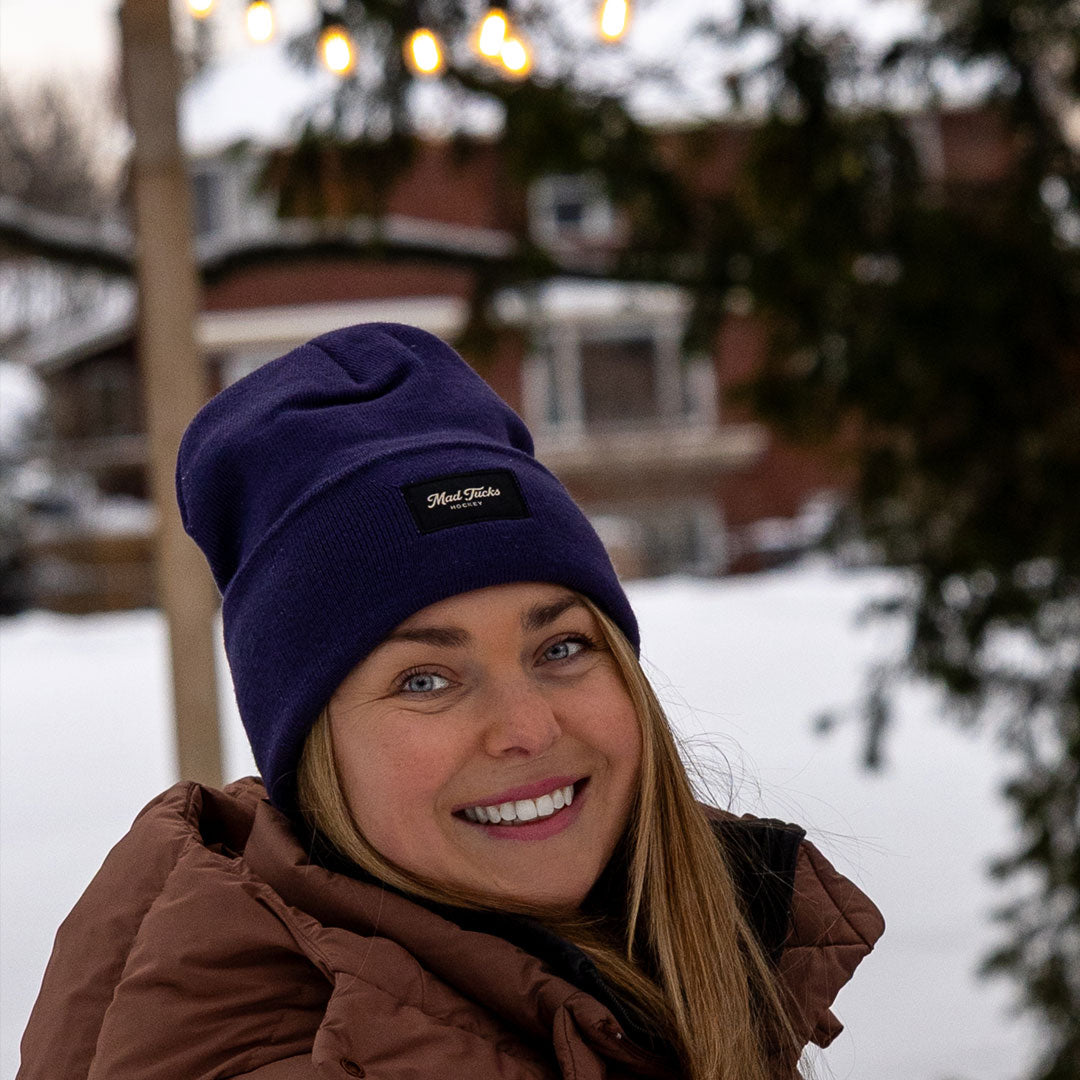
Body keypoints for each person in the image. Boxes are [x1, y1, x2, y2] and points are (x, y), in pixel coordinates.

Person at [19, 323, 884, 1080]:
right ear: (311, 753)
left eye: (562, 647)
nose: (527, 727)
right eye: (424, 680)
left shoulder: (656, 969)